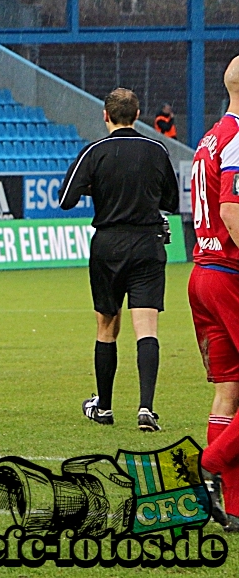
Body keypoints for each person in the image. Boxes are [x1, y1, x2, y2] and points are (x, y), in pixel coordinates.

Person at [59, 88, 178, 432]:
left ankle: (105, 408)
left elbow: (66, 198)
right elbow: (170, 199)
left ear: (105, 115)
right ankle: (146, 409)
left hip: (108, 246)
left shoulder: (95, 152)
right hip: (147, 243)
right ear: (138, 114)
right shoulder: (156, 149)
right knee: (147, 328)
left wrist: (100, 188)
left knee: (106, 327)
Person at [189, 57, 239, 532]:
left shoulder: (209, 137)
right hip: (228, 272)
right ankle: (206, 465)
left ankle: (232, 507)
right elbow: (231, 210)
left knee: (229, 389)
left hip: (202, 270)